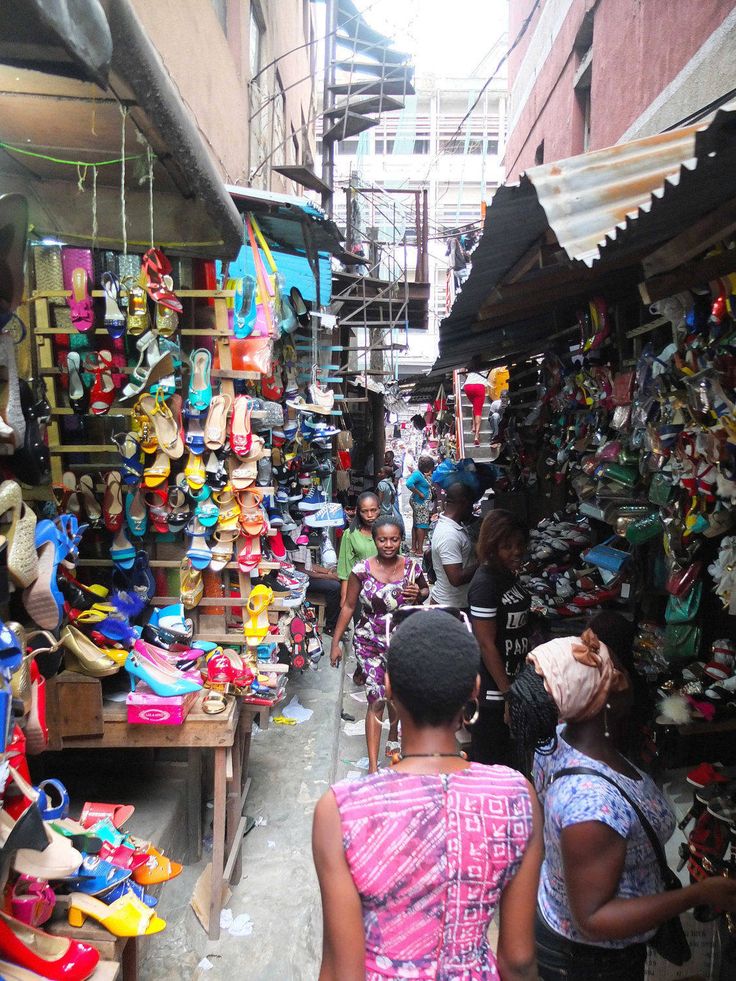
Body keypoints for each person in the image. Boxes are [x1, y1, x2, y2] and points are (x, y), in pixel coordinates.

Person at [313, 609, 543, 981]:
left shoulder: (342, 810)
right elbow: (517, 959)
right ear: (475, 689)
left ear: (387, 687)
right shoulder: (517, 796)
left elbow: (341, 969)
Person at [508, 630, 736, 981]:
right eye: (616, 671)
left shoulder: (557, 739)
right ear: (600, 701)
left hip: (570, 929)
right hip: (591, 963)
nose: (626, 675)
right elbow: (594, 919)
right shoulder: (593, 805)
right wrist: (699, 893)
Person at [330, 517, 429, 773]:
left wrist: (419, 594)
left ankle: (394, 733)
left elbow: (425, 591)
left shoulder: (411, 568)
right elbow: (349, 606)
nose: (388, 544)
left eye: (394, 539)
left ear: (401, 539)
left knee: (396, 695)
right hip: (370, 642)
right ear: (374, 540)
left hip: (403, 641)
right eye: (382, 539)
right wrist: (336, 642)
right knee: (376, 698)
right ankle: (373, 768)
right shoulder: (361, 570)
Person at [468, 510, 530, 766]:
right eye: (507, 547)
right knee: (493, 765)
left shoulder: (507, 577)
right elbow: (486, 644)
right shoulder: (485, 584)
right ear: (492, 548)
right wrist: (508, 695)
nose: (516, 552)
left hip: (513, 685)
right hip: (493, 697)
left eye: (519, 545)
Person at [429, 482, 477, 609]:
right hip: (449, 607)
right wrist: (484, 562)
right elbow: (456, 578)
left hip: (454, 604)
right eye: (471, 505)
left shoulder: (455, 526)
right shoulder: (449, 534)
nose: (472, 510)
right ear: (464, 503)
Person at [286, 539, 341, 635]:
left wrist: (327, 571)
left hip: (304, 576)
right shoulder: (298, 538)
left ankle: (335, 622)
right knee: (334, 587)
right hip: (299, 580)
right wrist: (328, 576)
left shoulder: (304, 536)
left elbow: (310, 565)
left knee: (337, 581)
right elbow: (301, 571)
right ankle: (331, 627)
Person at [336, 492, 379, 606]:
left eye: (373, 510)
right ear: (358, 512)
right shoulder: (350, 535)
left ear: (379, 509)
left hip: (386, 590)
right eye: (365, 511)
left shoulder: (387, 533)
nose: (370, 515)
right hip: (360, 592)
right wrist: (344, 598)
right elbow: (346, 570)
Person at [405, 454, 434, 556]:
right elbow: (409, 484)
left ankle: (414, 547)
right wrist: (419, 493)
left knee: (416, 524)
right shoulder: (417, 475)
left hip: (419, 502)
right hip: (420, 503)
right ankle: (419, 549)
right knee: (421, 525)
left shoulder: (420, 474)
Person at [464, 355, 489, 446]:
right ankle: (476, 435)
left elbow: (463, 370)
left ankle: (474, 427)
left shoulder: (471, 365)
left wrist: (468, 377)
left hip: (468, 387)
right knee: (478, 411)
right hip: (479, 387)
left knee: (475, 406)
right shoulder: (487, 365)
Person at [376, 465, 404, 539]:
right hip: (389, 510)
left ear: (385, 475)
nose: (378, 474)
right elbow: (392, 500)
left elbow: (380, 500)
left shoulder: (381, 484)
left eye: (380, 472)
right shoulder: (391, 483)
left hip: (382, 511)